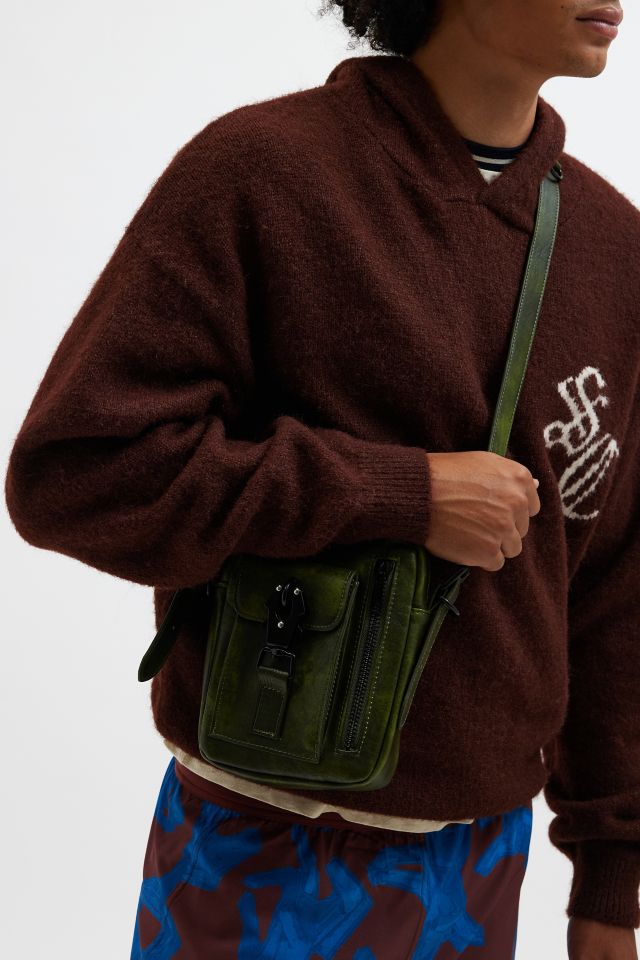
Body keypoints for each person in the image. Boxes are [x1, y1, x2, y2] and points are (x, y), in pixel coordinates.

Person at [4, 1, 639, 957]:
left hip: (478, 864)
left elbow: (615, 593)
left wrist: (611, 880)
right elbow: (78, 472)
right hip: (255, 844)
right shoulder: (262, 173)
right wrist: (401, 495)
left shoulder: (615, 251)